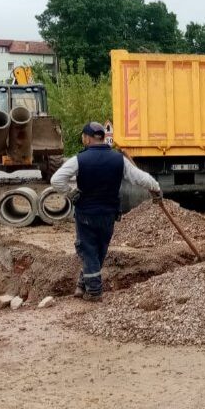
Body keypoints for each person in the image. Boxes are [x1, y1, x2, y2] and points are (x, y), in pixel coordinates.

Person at [51, 121, 161, 302]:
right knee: (99, 250)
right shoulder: (119, 159)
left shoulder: (79, 159)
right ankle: (82, 285)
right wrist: (156, 189)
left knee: (88, 249)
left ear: (86, 138)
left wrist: (71, 194)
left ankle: (94, 291)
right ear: (103, 137)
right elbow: (140, 177)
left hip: (86, 213)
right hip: (109, 213)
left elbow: (56, 180)